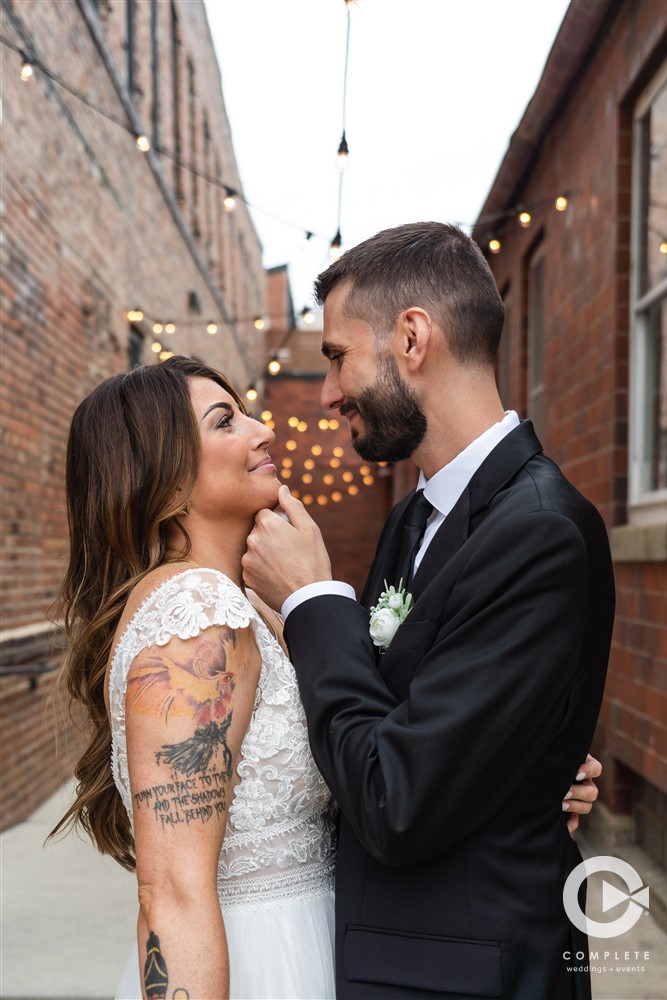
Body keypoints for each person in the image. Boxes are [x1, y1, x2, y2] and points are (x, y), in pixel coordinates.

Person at [242, 222, 615, 1000]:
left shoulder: (538, 530)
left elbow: (396, 799)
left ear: (412, 338)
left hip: (466, 974)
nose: (328, 394)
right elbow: (404, 713)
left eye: (337, 356)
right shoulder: (413, 519)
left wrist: (313, 602)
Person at [51, 356, 337, 1000]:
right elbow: (172, 891)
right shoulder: (198, 615)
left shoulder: (240, 603)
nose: (262, 430)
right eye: (225, 421)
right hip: (258, 960)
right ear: (167, 480)